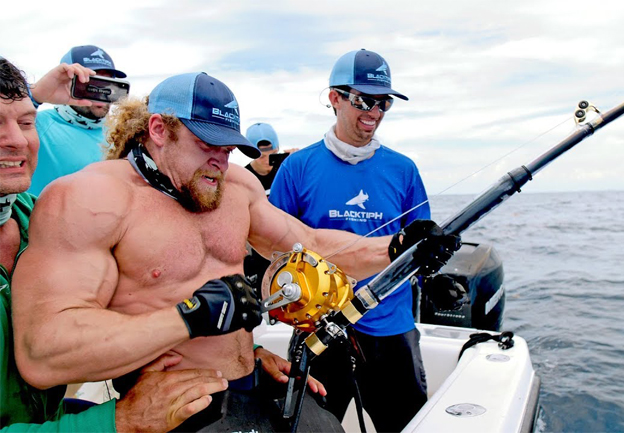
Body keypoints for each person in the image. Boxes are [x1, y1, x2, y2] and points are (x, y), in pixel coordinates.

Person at [11, 71, 458, 431]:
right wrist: (188, 317)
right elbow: (43, 353)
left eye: (229, 149)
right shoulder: (89, 199)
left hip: (255, 382)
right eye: (207, 145)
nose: (221, 163)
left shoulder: (236, 186)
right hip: (175, 404)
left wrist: (400, 246)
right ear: (158, 130)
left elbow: (314, 244)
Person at [0, 58, 228, 432]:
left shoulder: (43, 219)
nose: (18, 140)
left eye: (27, 122)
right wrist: (120, 420)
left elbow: (139, 293)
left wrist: (238, 347)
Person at [268, 48, 433, 432]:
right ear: (334, 98)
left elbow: (421, 245)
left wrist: (434, 278)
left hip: (391, 330)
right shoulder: (297, 168)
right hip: (319, 330)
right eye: (363, 100)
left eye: (384, 102)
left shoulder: (404, 170)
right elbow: (274, 247)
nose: (374, 111)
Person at [28, 45, 126, 196]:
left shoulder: (121, 134)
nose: (100, 93)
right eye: (91, 85)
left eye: (107, 85)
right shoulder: (37, 124)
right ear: (68, 83)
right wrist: (35, 95)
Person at [243, 122, 297, 195]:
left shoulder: (287, 168)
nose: (267, 161)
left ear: (278, 148)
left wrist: (300, 163)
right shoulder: (243, 178)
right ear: (251, 154)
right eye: (262, 156)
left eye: (273, 155)